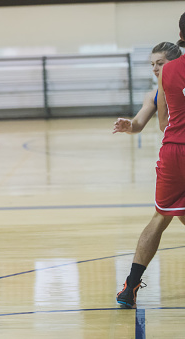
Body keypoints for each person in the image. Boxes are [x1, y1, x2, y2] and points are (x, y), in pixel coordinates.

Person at [116, 13, 185, 309]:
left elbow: (164, 123)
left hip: (173, 151)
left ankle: (130, 286)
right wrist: (132, 125)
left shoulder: (169, 76)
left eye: (159, 62)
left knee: (162, 217)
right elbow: (146, 121)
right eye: (153, 64)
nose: (156, 68)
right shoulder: (158, 85)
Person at [112, 42, 182, 135]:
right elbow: (138, 124)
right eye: (152, 64)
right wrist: (129, 126)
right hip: (176, 144)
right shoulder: (153, 96)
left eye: (160, 63)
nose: (154, 69)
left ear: (176, 62)